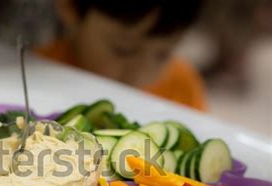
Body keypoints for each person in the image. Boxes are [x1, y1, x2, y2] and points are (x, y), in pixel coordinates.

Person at [37, 0, 207, 112]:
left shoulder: (182, 86)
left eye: (163, 54)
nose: (140, 74)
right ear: (70, 6)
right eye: (124, 50)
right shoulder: (40, 74)